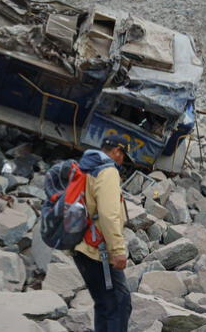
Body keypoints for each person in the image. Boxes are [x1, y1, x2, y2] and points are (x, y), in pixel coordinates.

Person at [73, 134, 132, 331]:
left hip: (81, 245)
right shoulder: (107, 171)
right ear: (117, 151)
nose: (123, 160)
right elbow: (108, 214)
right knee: (119, 303)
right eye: (123, 155)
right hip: (98, 250)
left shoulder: (87, 167)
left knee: (104, 304)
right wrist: (117, 250)